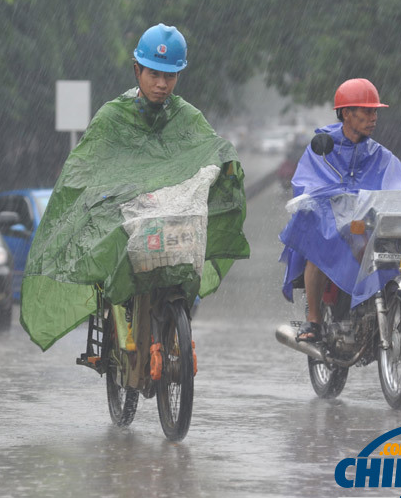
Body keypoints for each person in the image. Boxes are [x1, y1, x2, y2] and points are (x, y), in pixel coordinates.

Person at [19, 24, 249, 354]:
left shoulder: (188, 118)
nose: (161, 84)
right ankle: (119, 316)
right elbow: (83, 169)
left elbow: (210, 149)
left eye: (170, 76)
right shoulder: (112, 117)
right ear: (137, 70)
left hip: (169, 220)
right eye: (154, 74)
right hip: (124, 216)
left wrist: (224, 165)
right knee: (111, 246)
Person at [281, 78, 401, 342]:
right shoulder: (322, 149)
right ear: (346, 113)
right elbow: (306, 183)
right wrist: (319, 201)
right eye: (367, 111)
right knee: (318, 242)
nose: (373, 118)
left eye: (375, 111)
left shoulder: (378, 153)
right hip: (335, 226)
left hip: (368, 227)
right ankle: (315, 320)